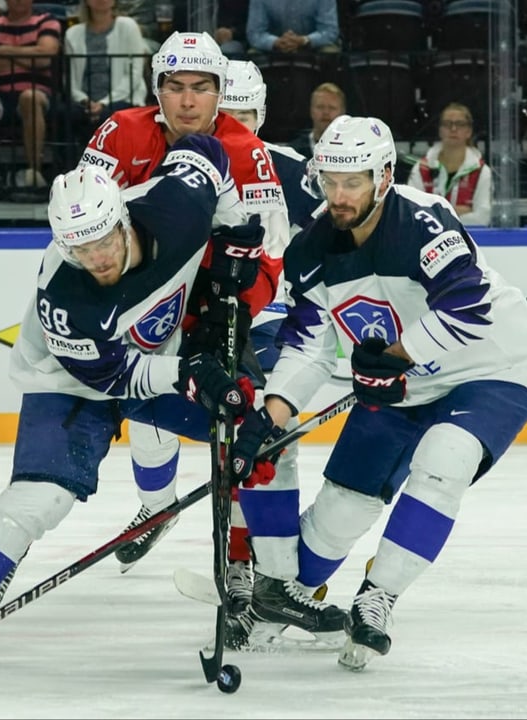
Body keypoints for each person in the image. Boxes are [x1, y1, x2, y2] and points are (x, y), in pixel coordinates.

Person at [0, 134, 264, 659]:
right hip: (70, 380)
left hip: (162, 352)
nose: (97, 257)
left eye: (104, 240)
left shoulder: (175, 204)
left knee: (257, 431)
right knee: (40, 499)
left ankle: (267, 579)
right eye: (80, 248)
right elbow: (116, 379)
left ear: (122, 219)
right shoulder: (65, 297)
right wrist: (187, 373)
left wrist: (233, 234)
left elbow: (209, 151)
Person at [227, 115, 527, 667]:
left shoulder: (424, 221)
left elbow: (468, 304)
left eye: (353, 181)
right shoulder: (311, 252)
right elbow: (308, 348)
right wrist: (269, 416)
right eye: (329, 181)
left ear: (384, 175)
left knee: (444, 461)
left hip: (487, 369)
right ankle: (288, 601)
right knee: (341, 509)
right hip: (401, 384)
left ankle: (377, 598)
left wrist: (395, 356)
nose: (339, 195)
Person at [75, 31, 291, 577]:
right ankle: (157, 506)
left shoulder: (254, 153)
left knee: (255, 436)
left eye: (204, 88)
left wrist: (233, 314)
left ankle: (251, 570)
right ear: (158, 90)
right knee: (146, 414)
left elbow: (274, 250)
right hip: (145, 308)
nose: (190, 101)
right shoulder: (122, 131)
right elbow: (81, 215)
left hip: (227, 310)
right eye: (177, 87)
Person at [212, 58, 325, 616]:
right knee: (232, 441)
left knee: (264, 439)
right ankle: (234, 557)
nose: (233, 124)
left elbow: (341, 228)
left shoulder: (286, 167)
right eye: (223, 113)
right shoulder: (187, 166)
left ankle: (252, 564)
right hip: (205, 322)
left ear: (261, 115)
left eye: (243, 114)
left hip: (270, 323)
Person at [0, 0, 62, 193]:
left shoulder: (46, 21)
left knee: (29, 97)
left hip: (37, 92)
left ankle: (34, 172)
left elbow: (45, 56)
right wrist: (29, 57)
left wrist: (5, 51)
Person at [64, 0, 148, 145]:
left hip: (123, 98)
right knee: (66, 114)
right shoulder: (72, 33)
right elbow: (70, 79)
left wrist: (103, 103)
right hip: (84, 101)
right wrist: (85, 101)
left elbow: (134, 73)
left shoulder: (128, 26)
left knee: (112, 116)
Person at [406, 102, 493, 227]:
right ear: (440, 130)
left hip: (470, 241)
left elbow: (482, 218)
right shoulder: (422, 168)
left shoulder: (481, 171)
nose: (453, 129)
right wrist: (455, 212)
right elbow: (411, 214)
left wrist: (434, 215)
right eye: (447, 124)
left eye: (460, 124)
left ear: (469, 131)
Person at [245, 0, 340, 55]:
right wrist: (276, 42)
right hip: (274, 49)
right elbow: (255, 32)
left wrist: (303, 40)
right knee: (253, 55)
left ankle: (326, 89)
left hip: (313, 46)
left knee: (330, 53)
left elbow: (330, 30)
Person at [286, 81, 345, 158]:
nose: (326, 112)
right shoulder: (292, 153)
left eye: (332, 108)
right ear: (311, 110)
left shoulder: (355, 153)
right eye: (320, 107)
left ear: (342, 113)